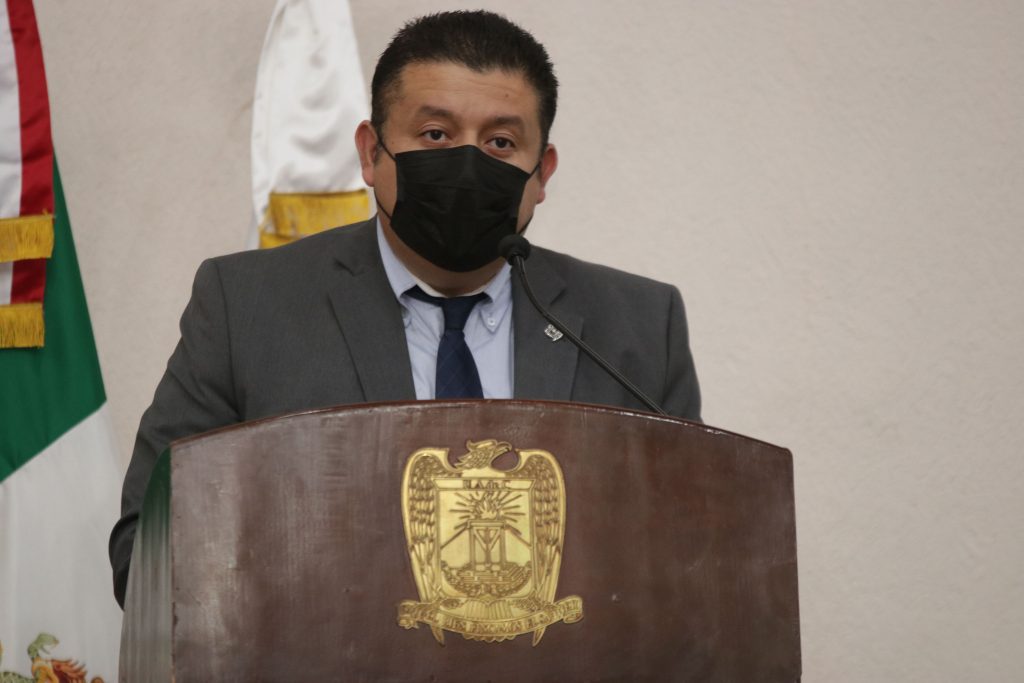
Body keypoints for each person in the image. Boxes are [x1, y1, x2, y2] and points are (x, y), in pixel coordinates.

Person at [109, 10, 700, 608]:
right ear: (371, 153)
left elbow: (694, 556)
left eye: (500, 143)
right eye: (436, 135)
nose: (467, 164)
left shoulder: (638, 326)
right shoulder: (247, 307)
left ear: (541, 173)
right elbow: (148, 555)